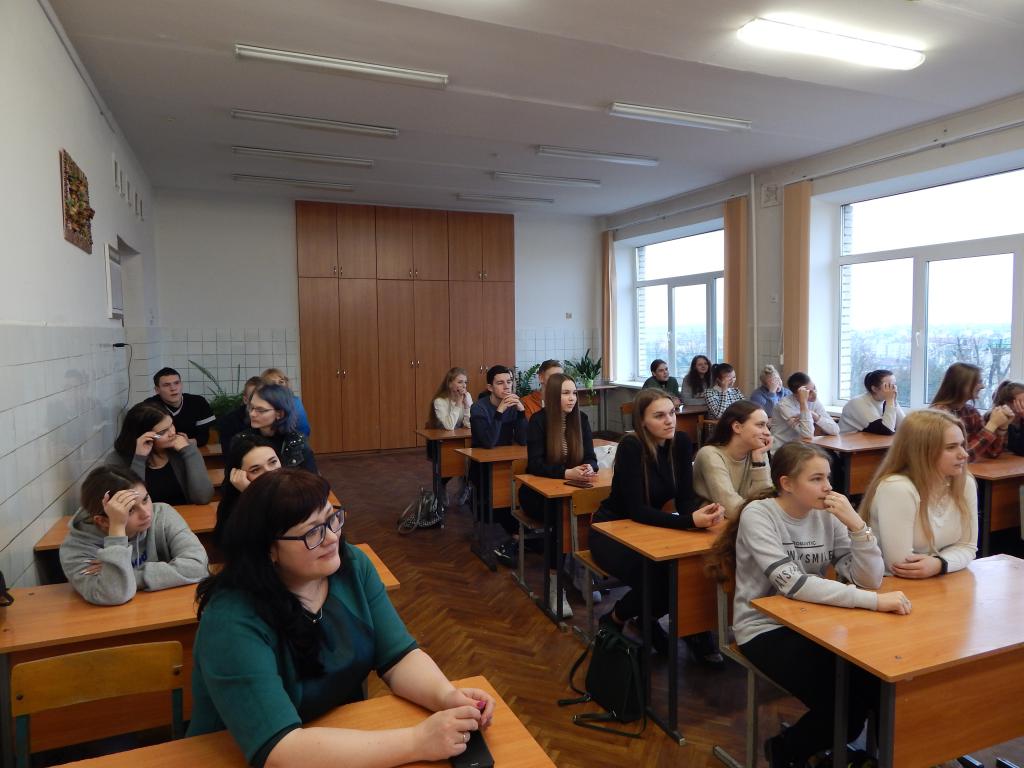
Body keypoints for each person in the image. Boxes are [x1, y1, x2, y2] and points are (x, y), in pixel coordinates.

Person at [189, 469, 494, 768]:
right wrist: (417, 741)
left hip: (333, 738)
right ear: (270, 549)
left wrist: (446, 696)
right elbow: (280, 750)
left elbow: (398, 657)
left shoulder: (351, 565)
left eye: (331, 519)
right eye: (312, 532)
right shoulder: (231, 619)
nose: (332, 537)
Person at [705, 442, 909, 768]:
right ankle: (785, 750)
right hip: (763, 628)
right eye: (816, 479)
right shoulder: (760, 515)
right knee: (844, 709)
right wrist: (873, 602)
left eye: (827, 477)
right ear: (786, 483)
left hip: (814, 623)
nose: (827, 487)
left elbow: (870, 579)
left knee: (877, 685)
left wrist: (857, 526)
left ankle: (884, 757)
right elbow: (794, 583)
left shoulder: (827, 514)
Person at [590, 389, 725, 662]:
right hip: (612, 531)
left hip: (649, 531)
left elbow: (685, 499)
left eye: (672, 413)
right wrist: (689, 521)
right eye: (659, 416)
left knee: (688, 571)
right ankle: (615, 618)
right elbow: (637, 510)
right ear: (642, 421)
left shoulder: (681, 442)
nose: (669, 420)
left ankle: (660, 621)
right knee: (658, 580)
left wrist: (701, 515)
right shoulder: (631, 447)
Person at [58, 465, 209, 606]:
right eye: (130, 510)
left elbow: (198, 566)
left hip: (162, 608)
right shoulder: (76, 549)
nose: (146, 513)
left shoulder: (162, 514)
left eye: (145, 499)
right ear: (103, 521)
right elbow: (115, 594)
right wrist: (117, 531)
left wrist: (132, 575)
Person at [861, 409, 977, 578]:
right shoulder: (897, 488)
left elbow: (968, 546)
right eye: (951, 447)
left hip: (940, 579)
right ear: (923, 451)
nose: (964, 454)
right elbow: (901, 565)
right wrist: (947, 561)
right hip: (891, 585)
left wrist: (940, 564)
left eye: (962, 445)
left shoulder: (964, 482)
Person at [520, 373, 598, 618]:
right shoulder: (538, 421)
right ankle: (555, 584)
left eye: (574, 393)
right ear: (554, 396)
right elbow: (535, 465)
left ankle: (581, 567)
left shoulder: (581, 419)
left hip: (571, 489)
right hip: (537, 495)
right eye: (565, 393)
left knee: (594, 511)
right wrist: (566, 472)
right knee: (561, 517)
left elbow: (591, 457)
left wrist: (589, 467)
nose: (572, 398)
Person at [470, 365, 528, 566]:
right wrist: (500, 411)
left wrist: (521, 412)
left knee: (519, 492)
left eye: (509, 382)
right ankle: (515, 537)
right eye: (500, 383)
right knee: (499, 497)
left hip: (506, 464)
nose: (507, 387)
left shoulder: (514, 405)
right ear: (490, 387)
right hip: (482, 468)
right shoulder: (479, 408)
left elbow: (523, 440)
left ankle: (518, 537)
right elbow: (489, 442)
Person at [108, 402, 214, 505]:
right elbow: (132, 504)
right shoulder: (118, 459)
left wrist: (189, 452)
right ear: (144, 436)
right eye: (162, 432)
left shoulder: (185, 449)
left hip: (185, 515)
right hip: (146, 516)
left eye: (171, 425)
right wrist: (139, 459)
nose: (172, 433)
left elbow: (203, 497)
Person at [693, 401, 773, 520]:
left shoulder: (758, 451)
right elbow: (732, 510)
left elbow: (766, 499)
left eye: (767, 426)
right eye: (760, 425)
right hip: (716, 523)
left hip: (748, 520)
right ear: (737, 427)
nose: (767, 432)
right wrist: (761, 510)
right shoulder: (710, 455)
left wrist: (758, 462)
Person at [930, 362, 1014, 461]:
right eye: (979, 382)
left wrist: (1002, 427)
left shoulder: (971, 412)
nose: (982, 386)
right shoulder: (939, 414)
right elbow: (962, 456)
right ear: (962, 384)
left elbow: (993, 452)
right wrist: (992, 424)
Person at [213, 434, 282, 547]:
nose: (269, 472)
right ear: (239, 475)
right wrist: (251, 494)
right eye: (256, 470)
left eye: (273, 462)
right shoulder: (235, 508)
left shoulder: (298, 489)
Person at [235, 384, 318, 473]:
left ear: (279, 414)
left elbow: (312, 479)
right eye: (251, 407)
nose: (252, 414)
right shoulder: (242, 440)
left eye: (260, 410)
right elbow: (231, 478)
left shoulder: (297, 442)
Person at [145, 367, 216, 447]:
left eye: (176, 383)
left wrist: (187, 442)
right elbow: (146, 434)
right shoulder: (148, 406)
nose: (173, 388)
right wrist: (163, 439)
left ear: (181, 384)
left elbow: (203, 437)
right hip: (160, 450)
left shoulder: (198, 402)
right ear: (157, 390)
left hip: (190, 448)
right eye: (166, 385)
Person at [771, 372, 839, 447]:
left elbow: (835, 430)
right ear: (797, 394)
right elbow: (807, 434)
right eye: (809, 392)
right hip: (783, 449)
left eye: (814, 388)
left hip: (804, 447)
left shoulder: (814, 401)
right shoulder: (784, 405)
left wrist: (815, 416)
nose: (815, 394)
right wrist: (803, 403)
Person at [839, 369, 906, 435]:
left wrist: (893, 401)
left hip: (871, 440)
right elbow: (887, 430)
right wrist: (890, 401)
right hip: (848, 440)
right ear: (874, 389)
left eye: (894, 384)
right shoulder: (857, 403)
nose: (894, 389)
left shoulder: (886, 400)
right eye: (888, 386)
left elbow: (904, 426)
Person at [216, 376, 263, 454]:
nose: (258, 401)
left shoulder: (271, 418)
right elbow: (229, 454)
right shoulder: (229, 422)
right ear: (245, 400)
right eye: (253, 397)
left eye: (262, 397)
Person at [262, 368, 311, 438]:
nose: (278, 385)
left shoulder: (295, 402)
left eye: (281, 382)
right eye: (273, 383)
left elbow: (304, 430)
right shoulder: (263, 404)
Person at [990, 380, 1024, 456]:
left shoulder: (1021, 418)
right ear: (1007, 404)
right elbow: (1020, 449)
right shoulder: (999, 417)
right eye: (1022, 401)